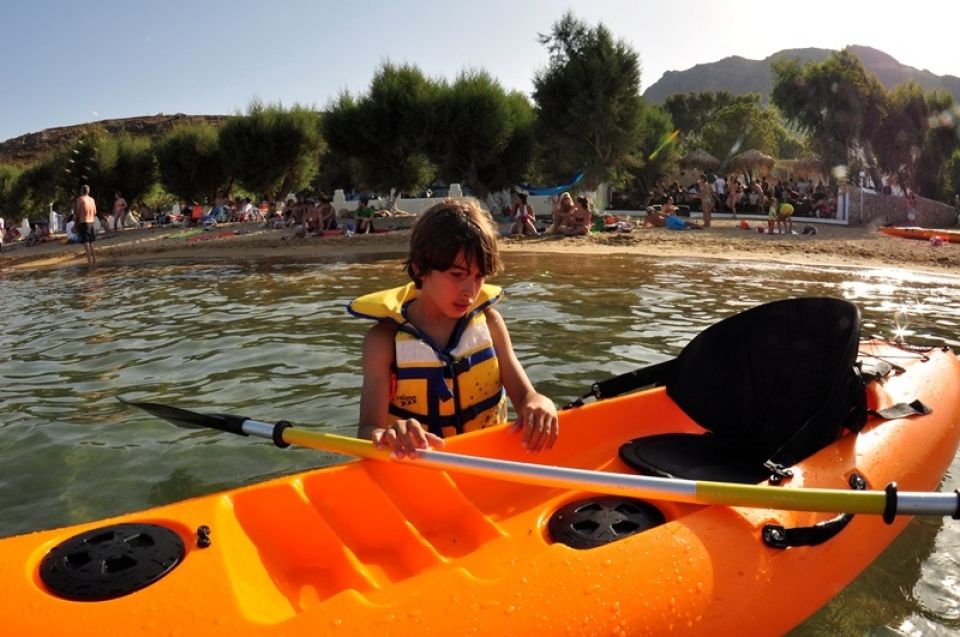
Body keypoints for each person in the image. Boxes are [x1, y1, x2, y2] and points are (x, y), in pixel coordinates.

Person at [350, 198, 559, 456]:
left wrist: (540, 403)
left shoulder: (491, 324)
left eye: (478, 277)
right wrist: (389, 435)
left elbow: (527, 397)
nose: (469, 292)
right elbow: (368, 429)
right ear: (419, 268)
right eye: (457, 275)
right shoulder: (383, 341)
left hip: (488, 466)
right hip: (420, 473)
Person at [73, 184, 97, 266]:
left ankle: (89, 261)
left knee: (86, 242)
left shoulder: (80, 199)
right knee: (91, 242)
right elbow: (95, 212)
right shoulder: (92, 200)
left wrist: (75, 224)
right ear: (88, 191)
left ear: (81, 191)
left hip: (84, 222)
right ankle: (94, 260)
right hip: (92, 222)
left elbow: (77, 213)